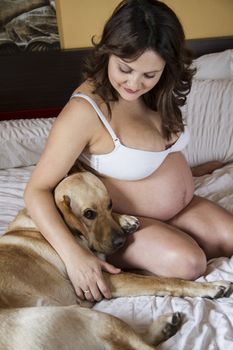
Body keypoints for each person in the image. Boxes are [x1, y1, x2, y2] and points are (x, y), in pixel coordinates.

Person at [24, 0, 233, 303]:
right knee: (189, 263)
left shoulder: (158, 92)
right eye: (125, 69)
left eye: (149, 74)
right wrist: (73, 257)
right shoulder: (86, 110)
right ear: (108, 52)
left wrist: (193, 174)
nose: (134, 83)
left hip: (180, 209)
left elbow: (156, 156)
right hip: (123, 223)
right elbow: (36, 190)